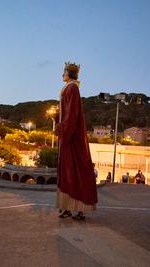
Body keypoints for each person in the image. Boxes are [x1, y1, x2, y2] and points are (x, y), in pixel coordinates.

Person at [55, 61, 97, 221]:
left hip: (71, 138)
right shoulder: (70, 87)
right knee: (68, 172)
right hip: (68, 136)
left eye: (63, 72)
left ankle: (79, 209)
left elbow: (72, 114)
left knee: (74, 171)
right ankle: (67, 207)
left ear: (69, 74)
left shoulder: (72, 88)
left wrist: (62, 128)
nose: (62, 74)